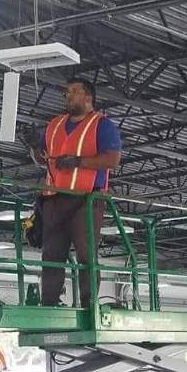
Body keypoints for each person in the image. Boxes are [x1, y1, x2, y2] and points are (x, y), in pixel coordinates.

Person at [38, 77, 122, 306]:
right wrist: (34, 149)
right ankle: (49, 301)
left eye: (75, 91)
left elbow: (112, 159)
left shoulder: (101, 124)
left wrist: (78, 161)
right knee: (52, 254)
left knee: (86, 256)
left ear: (88, 97)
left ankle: (88, 303)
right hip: (54, 198)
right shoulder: (54, 125)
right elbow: (44, 157)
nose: (69, 95)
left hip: (86, 199)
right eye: (67, 92)